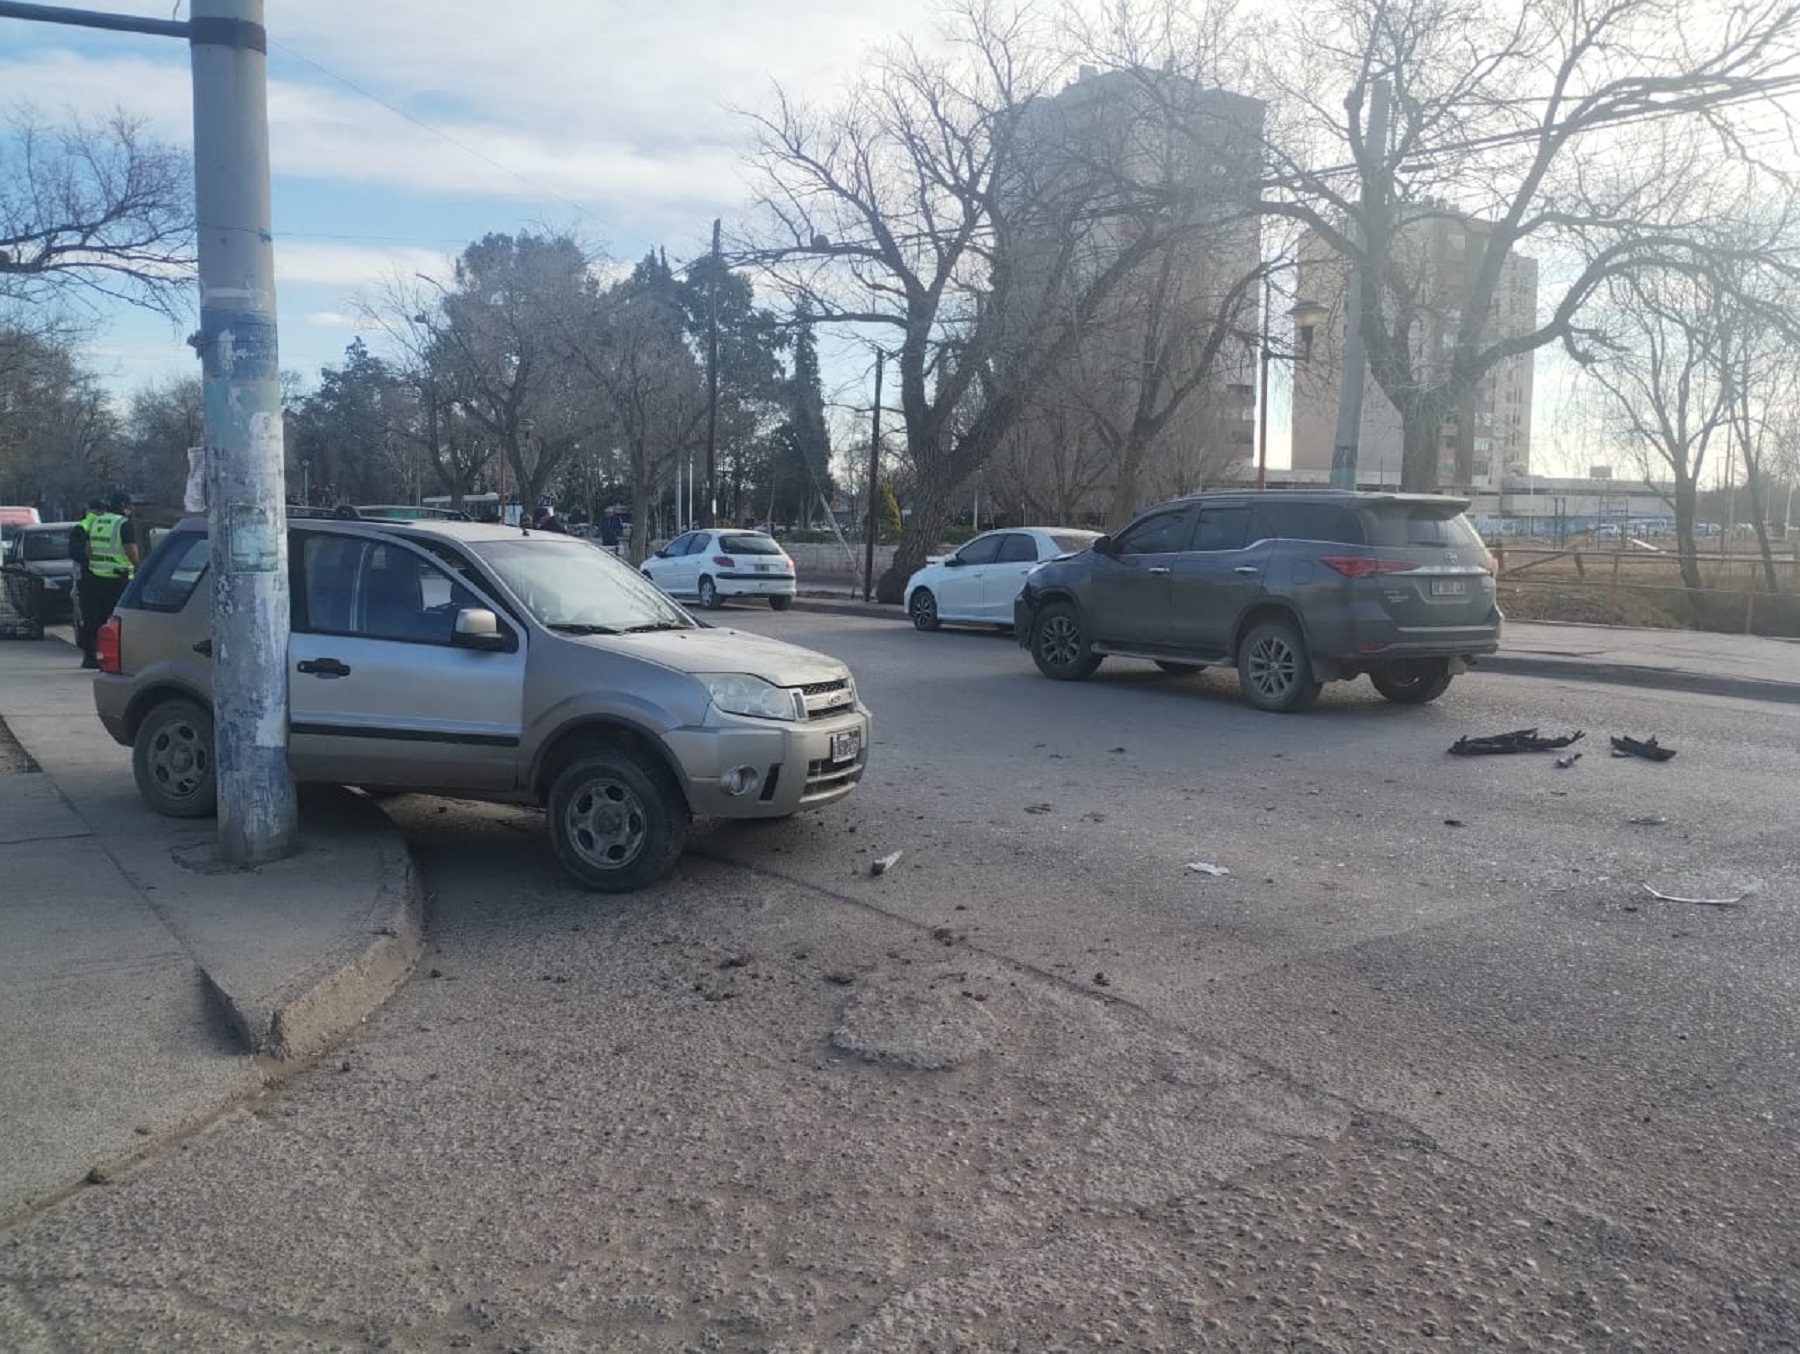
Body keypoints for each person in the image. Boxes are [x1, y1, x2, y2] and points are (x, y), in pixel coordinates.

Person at [77, 492, 139, 668]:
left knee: (96, 621)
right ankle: (117, 659)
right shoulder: (124, 524)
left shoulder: (96, 522)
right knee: (117, 623)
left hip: (95, 579)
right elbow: (131, 551)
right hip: (118, 580)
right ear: (124, 506)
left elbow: (89, 551)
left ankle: (93, 658)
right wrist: (139, 567)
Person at [69, 497, 107, 667]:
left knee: (88, 619)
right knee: (99, 618)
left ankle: (90, 657)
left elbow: (74, 552)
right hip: (99, 576)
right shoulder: (99, 526)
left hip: (87, 577)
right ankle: (95, 656)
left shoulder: (82, 525)